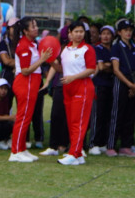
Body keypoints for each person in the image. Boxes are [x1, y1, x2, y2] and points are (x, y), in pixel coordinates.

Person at [8, 16, 54, 163]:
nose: (36, 28)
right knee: (22, 118)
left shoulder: (33, 44)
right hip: (25, 82)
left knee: (27, 117)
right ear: (25, 31)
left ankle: (22, 149)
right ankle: (15, 151)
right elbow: (25, 70)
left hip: (32, 83)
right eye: (33, 26)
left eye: (36, 26)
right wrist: (42, 60)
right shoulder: (23, 46)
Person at [57, 21, 96, 165]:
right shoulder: (65, 50)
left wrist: (73, 77)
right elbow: (63, 68)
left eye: (81, 31)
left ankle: (73, 152)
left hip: (83, 86)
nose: (79, 34)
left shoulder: (87, 49)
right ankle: (77, 153)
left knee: (78, 122)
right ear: (70, 34)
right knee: (71, 121)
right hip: (68, 87)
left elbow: (91, 69)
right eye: (76, 31)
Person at [108, 18, 135, 156]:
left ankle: (126, 145)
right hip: (121, 81)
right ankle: (111, 145)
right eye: (125, 30)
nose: (128, 33)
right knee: (117, 113)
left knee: (130, 115)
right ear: (119, 32)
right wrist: (129, 84)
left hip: (134, 81)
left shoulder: (134, 47)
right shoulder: (116, 47)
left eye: (129, 30)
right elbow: (116, 69)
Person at [87, 25, 115, 154]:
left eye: (108, 34)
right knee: (97, 114)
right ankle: (94, 143)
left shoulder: (114, 49)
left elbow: (116, 66)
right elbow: (102, 66)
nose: (105, 36)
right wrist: (110, 65)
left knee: (107, 115)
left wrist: (109, 65)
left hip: (111, 85)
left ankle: (103, 142)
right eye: (103, 33)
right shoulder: (96, 48)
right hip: (99, 84)